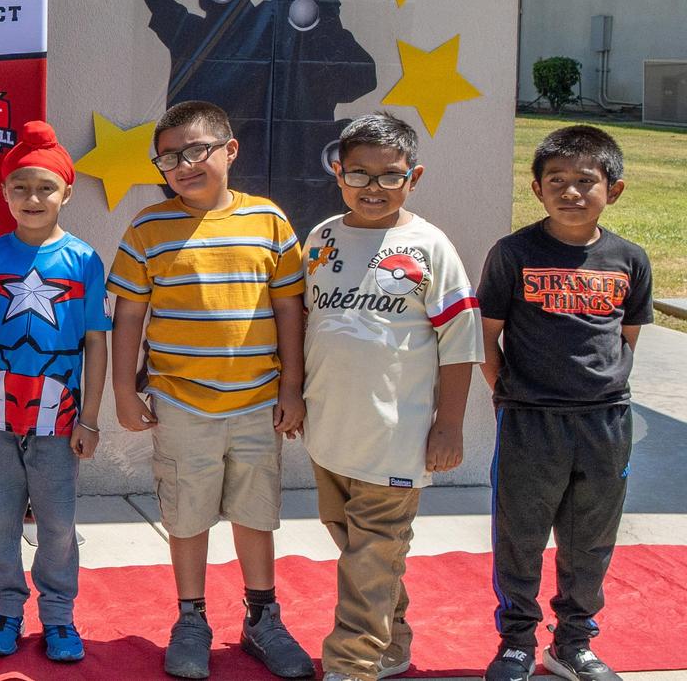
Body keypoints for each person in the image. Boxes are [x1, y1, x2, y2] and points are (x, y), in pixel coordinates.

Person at [107, 100, 313, 679]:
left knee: (256, 514)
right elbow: (128, 317)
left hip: (256, 402)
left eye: (196, 150)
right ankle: (191, 617)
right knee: (186, 514)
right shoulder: (148, 227)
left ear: (230, 150)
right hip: (180, 403)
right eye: (169, 156)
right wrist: (125, 391)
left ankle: (262, 617)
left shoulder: (267, 221)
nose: (183, 164)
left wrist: (291, 387)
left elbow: (289, 308)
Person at [299, 113, 482, 681]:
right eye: (358, 173)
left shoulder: (429, 246)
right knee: (362, 552)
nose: (372, 187)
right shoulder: (323, 237)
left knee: (370, 556)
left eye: (389, 175)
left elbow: (460, 343)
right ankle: (393, 642)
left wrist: (448, 425)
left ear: (414, 176)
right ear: (337, 172)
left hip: (394, 437)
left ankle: (350, 665)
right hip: (329, 433)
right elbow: (308, 323)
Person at [477, 125, 651, 681]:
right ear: (536, 189)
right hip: (531, 420)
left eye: (586, 181)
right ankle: (517, 644)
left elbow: (626, 336)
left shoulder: (630, 258)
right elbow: (488, 335)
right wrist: (511, 393)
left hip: (605, 422)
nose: (571, 192)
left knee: (590, 541)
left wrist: (600, 388)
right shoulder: (513, 253)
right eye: (557, 180)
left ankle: (573, 643)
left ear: (614, 190)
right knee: (521, 535)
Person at [0, 121, 110, 662]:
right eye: (20, 187)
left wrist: (88, 418)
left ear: (66, 193)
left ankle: (59, 616)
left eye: (45, 187)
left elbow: (97, 343)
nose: (32, 197)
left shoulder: (84, 260)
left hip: (59, 419)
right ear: (3, 194)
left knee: (58, 523)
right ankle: (5, 608)